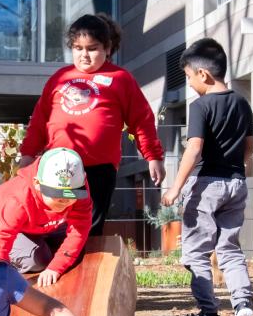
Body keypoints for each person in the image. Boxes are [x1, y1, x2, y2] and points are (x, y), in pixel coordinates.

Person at [19, 13, 164, 235]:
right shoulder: (60, 78)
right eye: (78, 48)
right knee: (56, 223)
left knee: (87, 227)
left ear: (107, 48)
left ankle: (84, 267)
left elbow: (141, 119)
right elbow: (40, 119)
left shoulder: (120, 78)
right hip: (59, 166)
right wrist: (28, 154)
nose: (84, 55)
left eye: (92, 48)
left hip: (98, 170)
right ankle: (56, 266)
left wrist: (152, 156)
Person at [160, 38, 253, 316]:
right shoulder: (242, 102)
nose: (189, 83)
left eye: (189, 76)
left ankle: (208, 315)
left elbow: (194, 149)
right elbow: (250, 146)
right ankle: (243, 306)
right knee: (229, 249)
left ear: (203, 74)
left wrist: (175, 188)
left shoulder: (200, 106)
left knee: (196, 252)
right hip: (236, 183)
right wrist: (240, 171)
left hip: (206, 185)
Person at [0, 147, 94, 286]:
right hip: (1, 225)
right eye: (57, 194)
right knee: (37, 260)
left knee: (76, 252)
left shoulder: (79, 187)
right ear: (37, 184)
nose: (64, 200)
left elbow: (80, 229)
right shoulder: (19, 198)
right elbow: (3, 236)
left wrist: (56, 267)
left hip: (43, 224)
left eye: (72, 195)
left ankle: (40, 243)